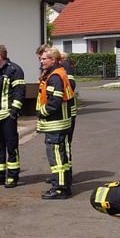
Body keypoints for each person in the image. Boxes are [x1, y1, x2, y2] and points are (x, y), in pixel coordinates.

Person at [0, 44, 25, 188]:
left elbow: (19, 92)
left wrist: (13, 112)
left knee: (11, 146)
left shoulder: (14, 70)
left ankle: (13, 176)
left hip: (7, 116)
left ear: (0, 56)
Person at [36, 46, 74, 200]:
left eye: (45, 58)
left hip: (56, 123)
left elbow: (54, 102)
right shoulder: (56, 74)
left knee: (56, 158)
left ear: (53, 60)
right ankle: (63, 185)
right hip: (60, 122)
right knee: (61, 157)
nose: (41, 61)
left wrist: (41, 113)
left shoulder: (55, 76)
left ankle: (59, 189)